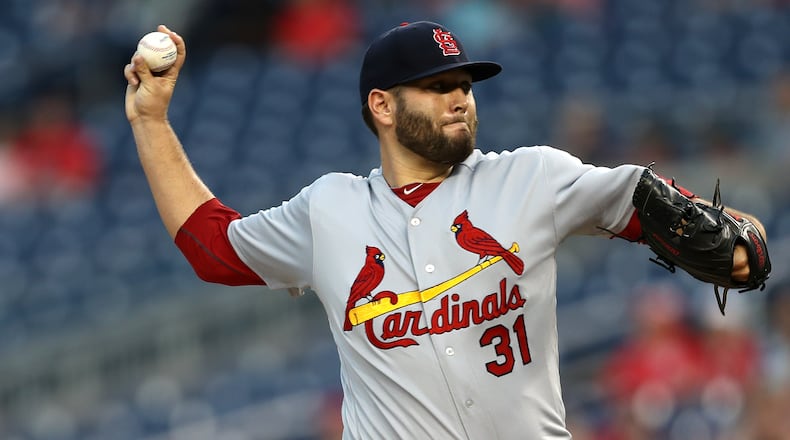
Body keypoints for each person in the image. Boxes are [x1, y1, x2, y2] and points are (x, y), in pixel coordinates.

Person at [124, 21, 767, 439]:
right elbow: (213, 247)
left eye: (464, 84)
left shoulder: (531, 178)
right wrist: (151, 123)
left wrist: (739, 241)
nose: (459, 97)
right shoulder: (329, 211)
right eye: (436, 87)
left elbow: (646, 200)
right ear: (382, 106)